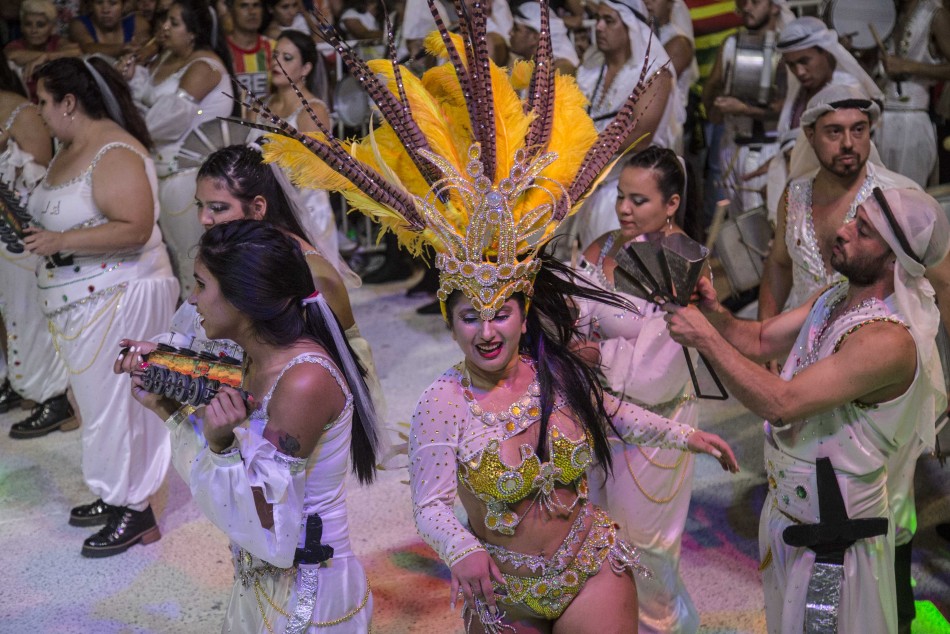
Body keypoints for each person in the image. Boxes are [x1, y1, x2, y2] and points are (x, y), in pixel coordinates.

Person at [261, 8, 739, 631]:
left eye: (502, 314)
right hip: (504, 584)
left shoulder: (554, 371)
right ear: (449, 321)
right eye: (470, 317)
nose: (487, 332)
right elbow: (432, 503)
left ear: (522, 312)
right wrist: (461, 550)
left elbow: (612, 412)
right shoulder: (443, 403)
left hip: (590, 565)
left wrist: (686, 437)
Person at [664, 186, 950, 634]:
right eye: (854, 217)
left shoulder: (888, 340)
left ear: (894, 262)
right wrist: (714, 312)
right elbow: (761, 339)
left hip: (836, 542)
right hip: (791, 514)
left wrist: (704, 337)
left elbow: (782, 404)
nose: (844, 230)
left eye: (864, 231)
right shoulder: (836, 295)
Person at [756, 83, 950, 632]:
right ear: (810, 136)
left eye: (859, 131)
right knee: (808, 493)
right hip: (811, 342)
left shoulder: (896, 199)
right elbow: (778, 264)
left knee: (885, 510)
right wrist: (768, 335)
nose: (848, 144)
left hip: (879, 370)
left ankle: (890, 610)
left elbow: (940, 283)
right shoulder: (795, 196)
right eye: (834, 132)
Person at [121, 220, 379, 632]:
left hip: (308, 596)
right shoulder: (253, 358)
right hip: (262, 586)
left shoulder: (304, 382)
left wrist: (218, 445)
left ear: (244, 298)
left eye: (201, 285)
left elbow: (268, 525)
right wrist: (164, 383)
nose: (192, 299)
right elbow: (206, 372)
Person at [25, 57, 179, 556]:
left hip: (124, 294)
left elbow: (135, 227)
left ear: (69, 102)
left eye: (44, 101)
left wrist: (60, 240)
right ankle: (115, 493)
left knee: (119, 405)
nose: (39, 111)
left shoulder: (115, 151)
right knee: (96, 405)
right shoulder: (69, 147)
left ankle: (136, 508)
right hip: (86, 297)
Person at [574, 146, 704, 633]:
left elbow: (658, 372)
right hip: (594, 412)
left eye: (639, 200)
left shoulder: (683, 261)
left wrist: (596, 354)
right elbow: (574, 313)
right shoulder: (603, 246)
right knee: (598, 539)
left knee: (644, 551)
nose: (624, 210)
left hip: (657, 422)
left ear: (671, 204)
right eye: (620, 197)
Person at [123, 0, 233, 298]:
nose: (164, 28)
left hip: (189, 178)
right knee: (174, 262)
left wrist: (125, 123)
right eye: (164, 20)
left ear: (193, 32)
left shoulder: (203, 67)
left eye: (174, 22)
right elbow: (147, 101)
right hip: (160, 174)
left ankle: (205, 321)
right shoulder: (163, 59)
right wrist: (131, 78)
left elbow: (165, 123)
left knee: (193, 261)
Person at [0, 50, 72, 437]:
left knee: (29, 313)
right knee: (7, 311)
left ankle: (53, 396)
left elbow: (42, 177)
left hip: (20, 232)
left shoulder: (21, 112)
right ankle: (20, 381)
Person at [570, 0, 681, 251]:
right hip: (587, 186)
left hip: (631, 192)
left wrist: (583, 153)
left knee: (620, 265)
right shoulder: (589, 69)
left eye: (609, 20)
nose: (599, 27)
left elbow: (641, 135)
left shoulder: (654, 73)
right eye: (598, 19)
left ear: (631, 26)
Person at [763, 16, 882, 225]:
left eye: (804, 61)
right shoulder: (801, 90)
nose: (799, 72)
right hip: (798, 201)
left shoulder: (849, 92)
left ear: (826, 52)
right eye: (792, 65)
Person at [259, 28, 343, 266]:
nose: (277, 63)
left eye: (287, 58)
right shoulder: (260, 105)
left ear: (305, 69)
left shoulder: (313, 111)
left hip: (305, 210)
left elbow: (314, 172)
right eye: (275, 55)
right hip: (266, 207)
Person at [702, 0, 793, 215]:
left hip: (765, 149)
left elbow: (786, 107)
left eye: (755, 2)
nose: (747, 8)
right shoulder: (730, 43)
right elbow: (712, 86)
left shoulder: (786, 48)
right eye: (743, 2)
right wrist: (714, 107)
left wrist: (744, 110)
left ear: (774, 7)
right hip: (731, 146)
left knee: (759, 222)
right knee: (737, 222)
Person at [877, 0, 950, 188]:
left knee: (909, 195)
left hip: (913, 119)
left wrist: (909, 66)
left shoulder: (934, 13)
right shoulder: (890, 12)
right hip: (882, 118)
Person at [4, 0, 80, 101]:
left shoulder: (57, 42)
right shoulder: (16, 45)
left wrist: (47, 57)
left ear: (52, 28)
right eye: (28, 24)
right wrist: (48, 56)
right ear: (21, 27)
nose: (33, 30)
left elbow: (76, 51)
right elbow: (11, 55)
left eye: (40, 25)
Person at [508, 1, 579, 76]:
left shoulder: (559, 69)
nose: (510, 33)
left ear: (534, 37)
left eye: (516, 29)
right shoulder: (520, 65)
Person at [225, 0, 274, 103]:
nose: (252, 12)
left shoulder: (275, 48)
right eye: (244, 6)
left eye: (256, 5)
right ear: (231, 10)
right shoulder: (221, 51)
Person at [68, 0, 151, 58]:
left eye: (113, 3)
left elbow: (147, 47)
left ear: (124, 5)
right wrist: (123, 48)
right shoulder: (79, 24)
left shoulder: (138, 23)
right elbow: (87, 48)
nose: (105, 10)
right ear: (91, 5)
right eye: (99, 2)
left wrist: (147, 50)